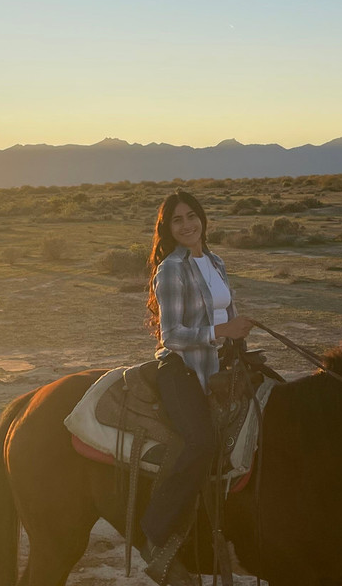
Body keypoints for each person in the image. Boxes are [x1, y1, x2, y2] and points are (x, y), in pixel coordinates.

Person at [138, 189, 253, 586]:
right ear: (167, 229)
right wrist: (220, 331)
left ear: (203, 219)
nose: (187, 225)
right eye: (177, 220)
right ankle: (154, 532)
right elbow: (171, 335)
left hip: (222, 363)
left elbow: (229, 312)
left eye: (192, 216)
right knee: (200, 441)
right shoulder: (170, 269)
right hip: (181, 368)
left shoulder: (216, 261)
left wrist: (237, 341)